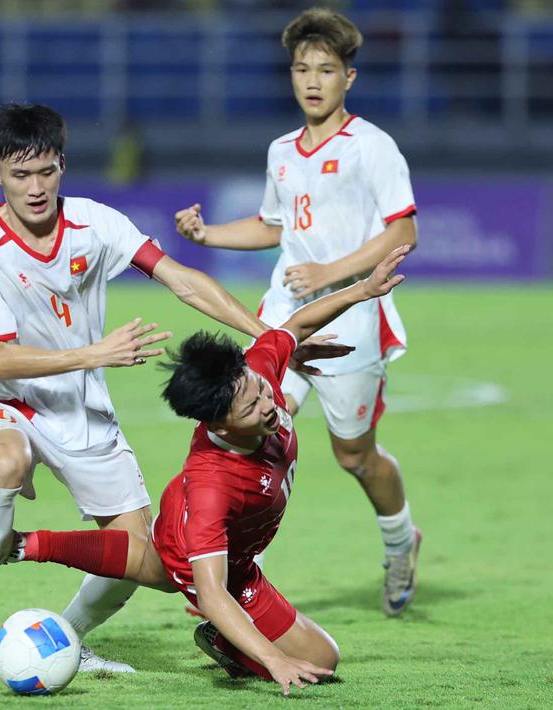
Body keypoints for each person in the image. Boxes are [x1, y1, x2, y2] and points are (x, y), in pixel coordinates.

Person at [0, 103, 346, 671]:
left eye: (46, 171)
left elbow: (183, 281)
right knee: (5, 462)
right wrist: (95, 354)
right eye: (20, 174)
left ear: (63, 165)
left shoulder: (95, 224)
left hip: (84, 412)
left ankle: (65, 642)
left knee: (139, 560)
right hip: (12, 400)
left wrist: (276, 337)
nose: (35, 188)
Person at [0, 246, 410, 695]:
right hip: (206, 561)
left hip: (230, 553)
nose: (270, 404)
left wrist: (363, 290)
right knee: (305, 655)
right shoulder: (214, 487)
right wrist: (272, 659)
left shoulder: (252, 375)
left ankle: (23, 544)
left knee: (150, 564)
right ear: (218, 421)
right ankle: (21, 545)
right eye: (252, 407)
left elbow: (293, 327)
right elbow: (212, 594)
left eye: (263, 391)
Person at [172, 8, 421, 616]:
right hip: (284, 315)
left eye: (326, 70)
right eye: (302, 69)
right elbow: (272, 225)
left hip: (353, 319)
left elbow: (404, 231)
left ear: (349, 78)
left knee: (353, 456)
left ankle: (400, 541)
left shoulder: (372, 147)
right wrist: (208, 237)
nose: (312, 80)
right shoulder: (281, 150)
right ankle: (220, 573)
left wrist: (331, 274)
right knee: (243, 429)